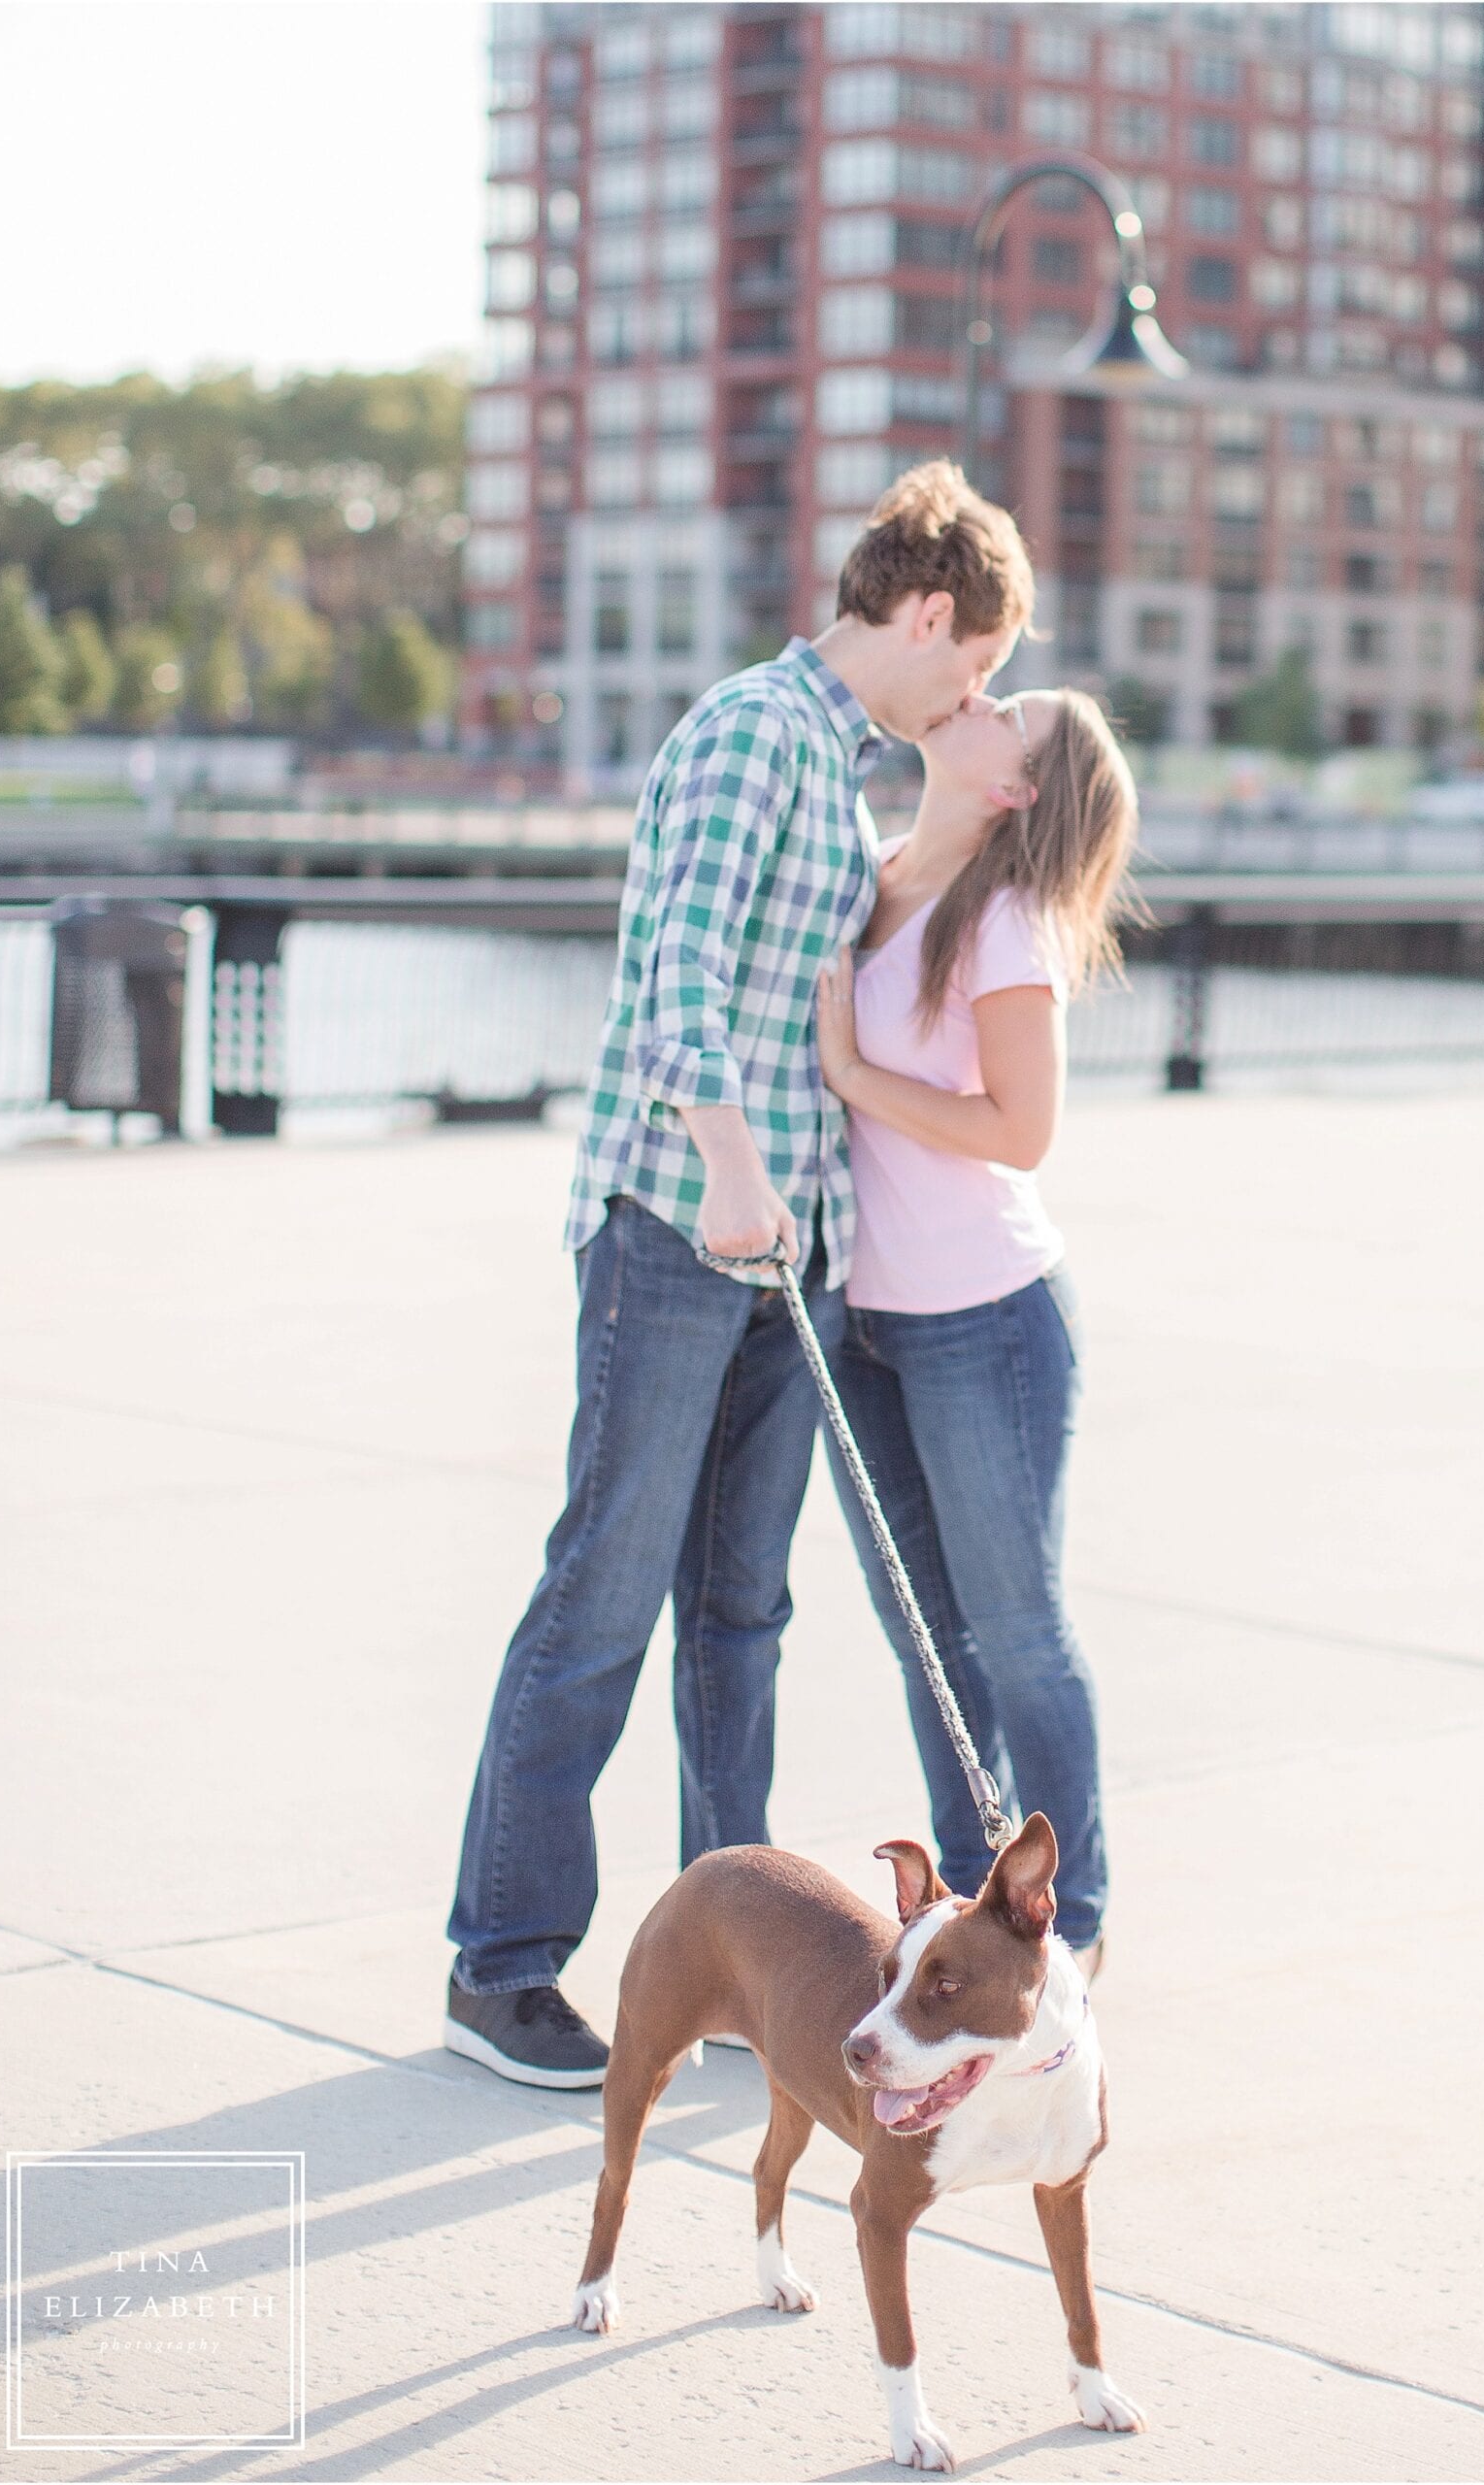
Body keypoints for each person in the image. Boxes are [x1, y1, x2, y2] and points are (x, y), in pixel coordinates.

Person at [445, 463, 1037, 2089]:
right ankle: (500, 1966)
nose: (966, 695)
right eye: (971, 667)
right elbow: (672, 977)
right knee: (603, 1597)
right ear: (925, 617)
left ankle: (728, 1959)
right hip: (679, 1226)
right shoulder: (746, 735)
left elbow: (825, 979)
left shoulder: (836, 772)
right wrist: (723, 1165)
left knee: (740, 1618)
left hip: (791, 1260)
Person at [814, 685, 1139, 1970]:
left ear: (1015, 788)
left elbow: (1023, 1133)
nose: (982, 696)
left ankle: (1075, 1924)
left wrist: (854, 1078)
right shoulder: (874, 870)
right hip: (865, 1324)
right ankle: (972, 1912)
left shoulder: (1003, 923)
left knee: (1014, 1636)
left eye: (1016, 712)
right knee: (930, 1645)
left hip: (985, 1321)